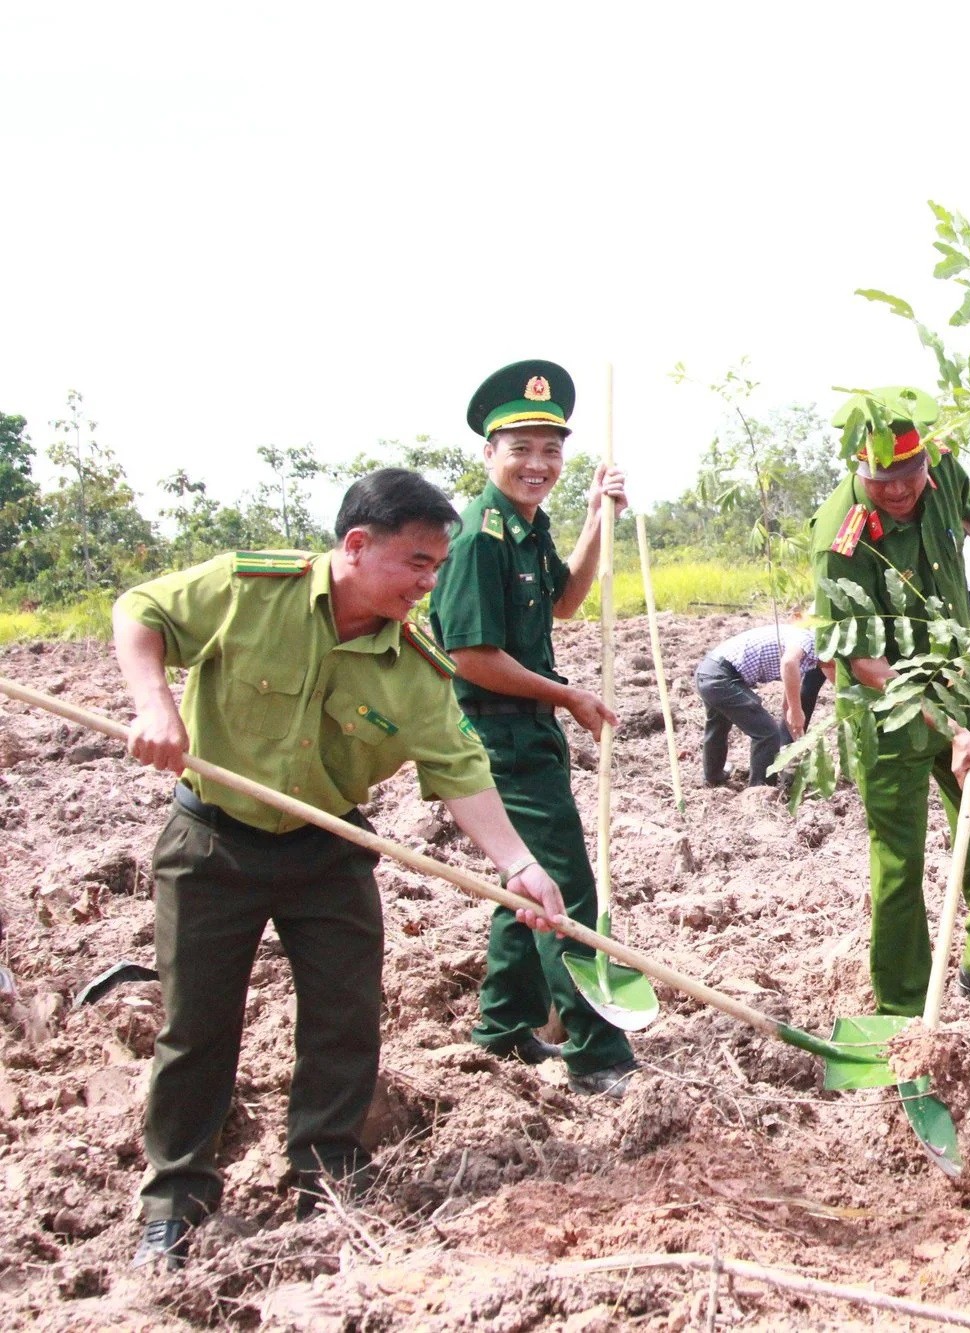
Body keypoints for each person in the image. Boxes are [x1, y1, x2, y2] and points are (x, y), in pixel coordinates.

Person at [112, 469, 569, 1270]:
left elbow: (460, 769)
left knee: (345, 1018)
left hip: (329, 852)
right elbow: (139, 610)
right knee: (197, 1026)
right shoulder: (251, 589)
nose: (430, 583)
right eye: (417, 563)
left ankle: (326, 1173)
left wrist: (520, 865)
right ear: (355, 546)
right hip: (212, 839)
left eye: (438, 566)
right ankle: (176, 1199)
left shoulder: (417, 668)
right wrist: (156, 702)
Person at [428, 360, 640, 1099]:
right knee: (567, 890)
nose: (537, 464)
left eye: (551, 450)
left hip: (531, 731)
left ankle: (502, 1026)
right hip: (497, 738)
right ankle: (595, 1051)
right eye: (520, 448)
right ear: (489, 453)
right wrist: (566, 692)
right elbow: (471, 657)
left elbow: (565, 601)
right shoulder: (477, 538)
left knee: (526, 884)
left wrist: (593, 519)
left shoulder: (526, 526)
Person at [808, 385, 970, 1017]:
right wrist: (949, 730)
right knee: (900, 861)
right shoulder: (843, 538)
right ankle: (903, 1007)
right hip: (886, 712)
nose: (898, 491)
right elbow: (858, 660)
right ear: (860, 468)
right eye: (882, 480)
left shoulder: (939, 465)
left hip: (958, 683)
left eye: (908, 477)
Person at [694, 619, 825, 786]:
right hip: (720, 676)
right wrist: (796, 710)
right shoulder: (809, 640)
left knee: (718, 723)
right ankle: (761, 789)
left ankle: (713, 775)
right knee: (767, 733)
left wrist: (797, 742)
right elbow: (788, 663)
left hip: (709, 671)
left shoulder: (807, 654)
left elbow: (788, 706)